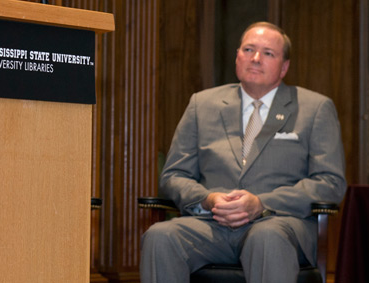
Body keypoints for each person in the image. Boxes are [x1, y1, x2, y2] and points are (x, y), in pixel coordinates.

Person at [140, 22, 346, 283]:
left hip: (280, 224)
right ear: (237, 56)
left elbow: (331, 183)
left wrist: (262, 203)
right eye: (248, 49)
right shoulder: (201, 105)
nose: (256, 58)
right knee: (160, 237)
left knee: (266, 236)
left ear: (284, 67)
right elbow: (173, 175)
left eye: (268, 53)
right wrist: (208, 199)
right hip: (210, 224)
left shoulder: (314, 108)